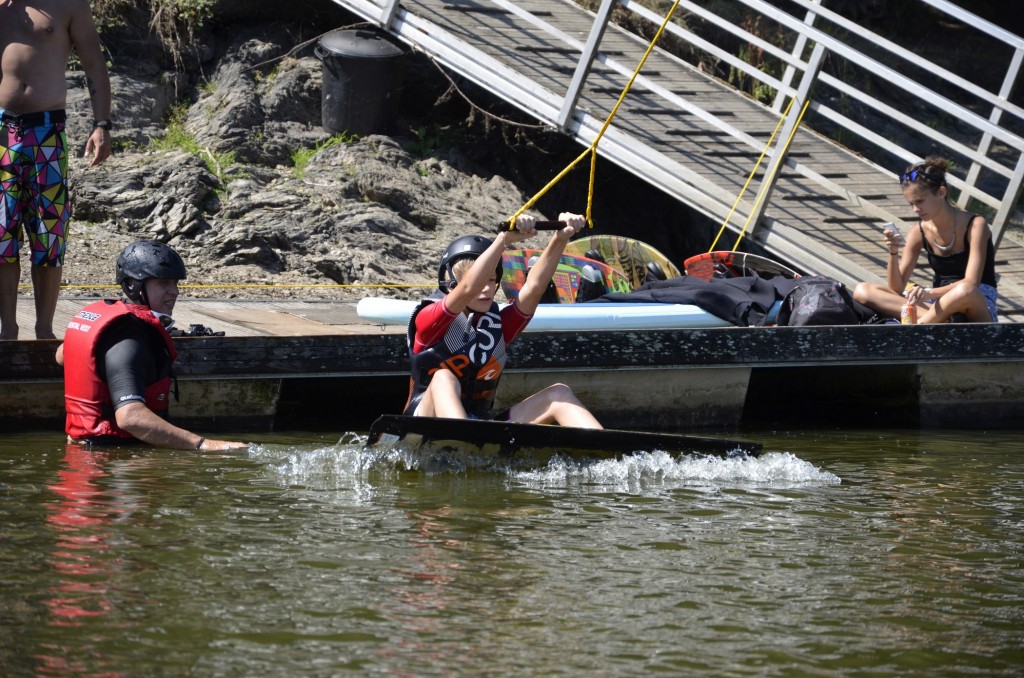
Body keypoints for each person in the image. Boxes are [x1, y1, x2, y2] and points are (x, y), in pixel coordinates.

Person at [404, 212, 603, 428]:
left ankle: (608, 447)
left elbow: (533, 289)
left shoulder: (496, 328)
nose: (486, 289)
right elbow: (468, 287)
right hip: (419, 426)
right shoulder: (429, 320)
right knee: (444, 377)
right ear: (451, 286)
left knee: (559, 394)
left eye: (492, 280)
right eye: (481, 280)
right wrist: (503, 240)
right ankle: (464, 438)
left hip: (481, 426)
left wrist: (560, 238)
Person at [55, 240, 247, 450]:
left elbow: (62, 355)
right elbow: (130, 418)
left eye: (175, 283)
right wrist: (203, 445)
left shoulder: (112, 320)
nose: (174, 291)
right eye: (163, 283)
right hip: (111, 455)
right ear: (133, 285)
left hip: (84, 449)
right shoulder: (130, 341)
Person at [1, 0, 113, 340]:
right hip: (1, 131)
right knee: (1, 234)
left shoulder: (69, 4)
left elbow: (94, 63)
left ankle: (44, 331)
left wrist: (102, 124)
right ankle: (7, 331)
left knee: (49, 234)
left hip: (47, 132)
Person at [852, 155, 998, 323]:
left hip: (974, 305)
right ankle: (938, 322)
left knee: (965, 291)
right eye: (911, 204)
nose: (915, 209)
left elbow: (972, 283)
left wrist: (928, 293)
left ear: (941, 192)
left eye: (920, 201)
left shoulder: (976, 225)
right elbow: (896, 288)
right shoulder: (918, 231)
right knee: (862, 290)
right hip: (938, 305)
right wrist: (893, 252)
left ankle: (921, 325)